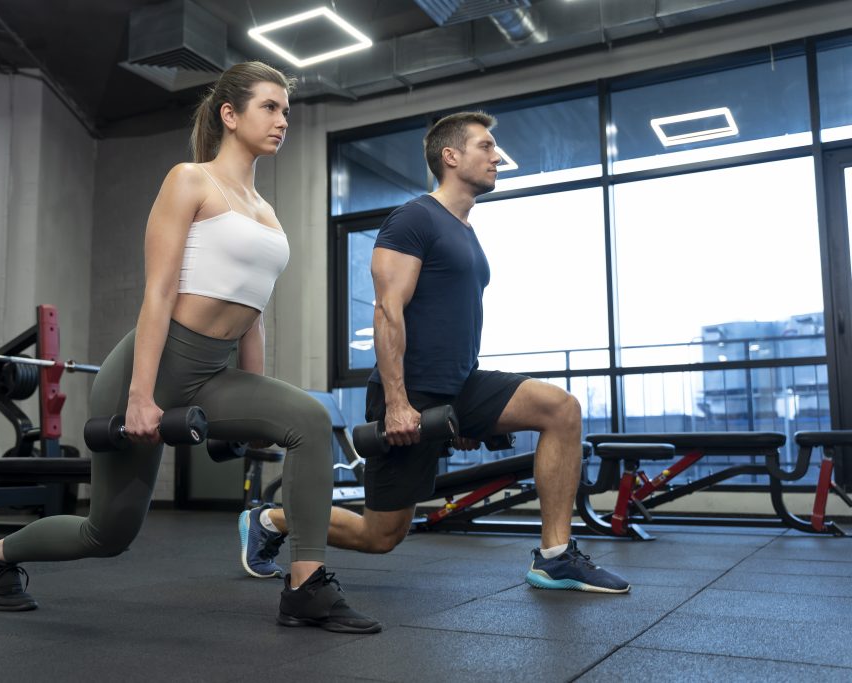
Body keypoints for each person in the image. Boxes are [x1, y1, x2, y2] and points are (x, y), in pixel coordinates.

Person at [0, 61, 382, 633]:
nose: (283, 120)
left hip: (212, 373)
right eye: (269, 107)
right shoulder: (190, 180)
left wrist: (257, 405)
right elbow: (158, 294)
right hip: (148, 370)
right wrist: (140, 396)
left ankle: (306, 587)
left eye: (286, 109)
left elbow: (253, 315)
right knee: (107, 535)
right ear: (229, 115)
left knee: (307, 420)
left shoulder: (266, 212)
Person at [240, 111, 630, 594]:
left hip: (460, 386)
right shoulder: (414, 218)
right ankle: (271, 519)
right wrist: (398, 402)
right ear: (451, 156)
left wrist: (469, 419)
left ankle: (555, 557)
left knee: (561, 409)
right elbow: (387, 311)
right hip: (411, 392)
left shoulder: (465, 231)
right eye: (485, 146)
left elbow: (454, 322)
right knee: (381, 535)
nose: (496, 157)